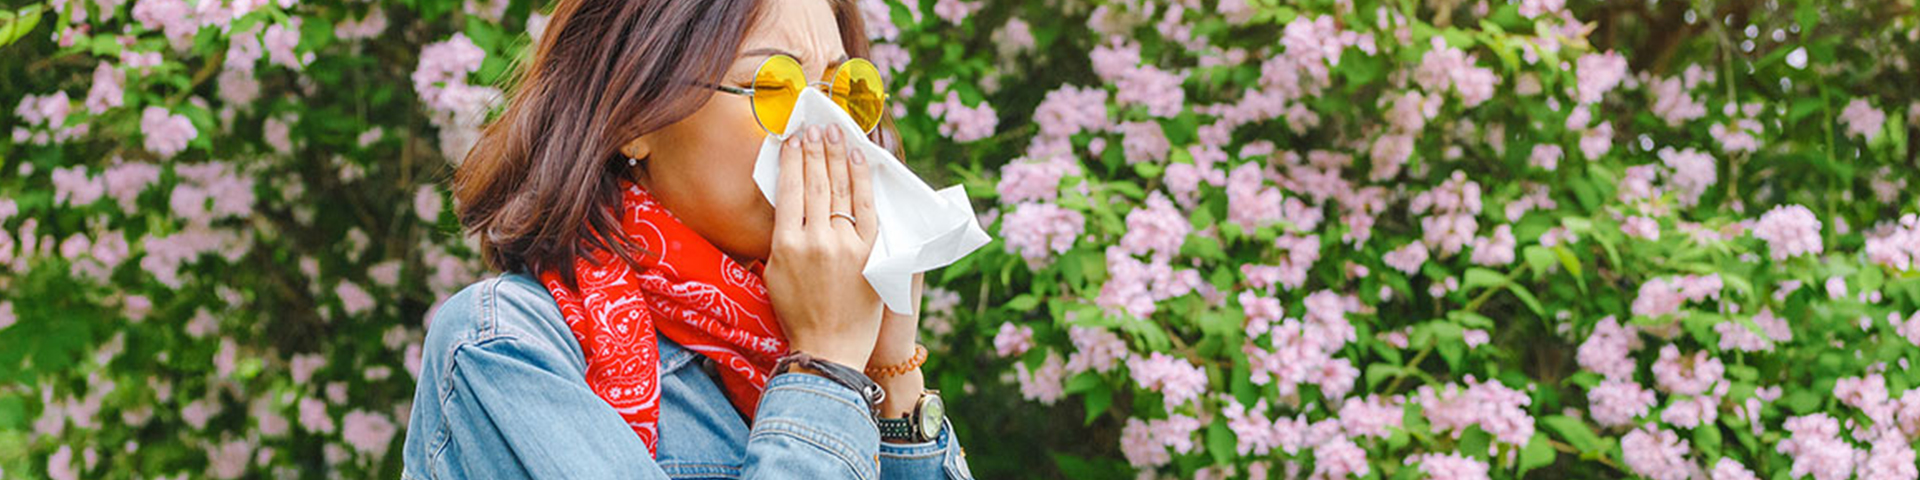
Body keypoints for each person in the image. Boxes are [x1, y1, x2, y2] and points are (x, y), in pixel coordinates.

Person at [400, 0, 973, 478]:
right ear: (634, 117)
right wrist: (824, 366)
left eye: (846, 92)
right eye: (774, 86)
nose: (830, 129)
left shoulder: (815, 335)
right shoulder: (506, 348)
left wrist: (890, 371)